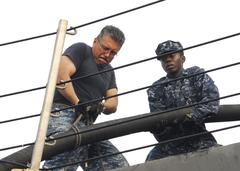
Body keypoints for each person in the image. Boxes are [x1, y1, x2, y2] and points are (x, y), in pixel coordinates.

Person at [43, 25, 129, 171]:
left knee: (116, 163)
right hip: (63, 112)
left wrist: (100, 106)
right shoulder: (81, 50)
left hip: (87, 121)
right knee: (68, 147)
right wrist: (78, 102)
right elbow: (61, 75)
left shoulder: (109, 71)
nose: (108, 55)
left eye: (113, 53)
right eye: (105, 48)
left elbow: (113, 102)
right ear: (95, 41)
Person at [146, 40, 220, 161]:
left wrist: (188, 116)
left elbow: (211, 102)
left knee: (221, 157)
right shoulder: (156, 89)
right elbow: (158, 123)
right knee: (150, 162)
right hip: (171, 145)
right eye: (163, 58)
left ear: (182, 58)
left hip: (199, 139)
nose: (168, 60)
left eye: (171, 56)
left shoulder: (196, 75)